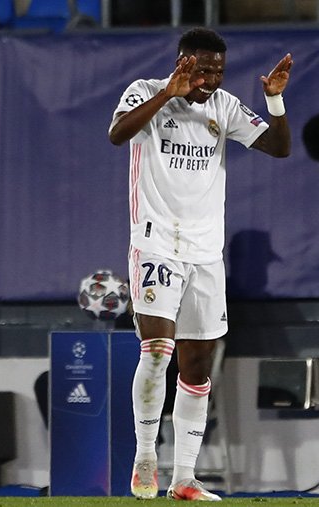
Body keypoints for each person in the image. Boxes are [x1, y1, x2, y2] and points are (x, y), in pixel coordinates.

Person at [108, 27, 292, 501]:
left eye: (218, 72)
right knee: (156, 350)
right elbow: (117, 134)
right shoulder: (145, 91)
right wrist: (167, 94)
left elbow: (278, 147)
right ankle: (145, 456)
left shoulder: (224, 106)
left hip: (206, 252)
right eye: (203, 70)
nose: (211, 80)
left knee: (196, 365)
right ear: (182, 62)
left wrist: (274, 100)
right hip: (155, 244)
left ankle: (184, 478)